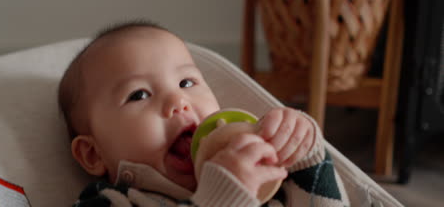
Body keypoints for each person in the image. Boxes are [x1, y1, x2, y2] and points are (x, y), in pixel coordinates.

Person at [58, 20, 350, 207]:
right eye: (139, 95)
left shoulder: (266, 176)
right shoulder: (111, 201)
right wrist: (222, 197)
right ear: (93, 154)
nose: (178, 100)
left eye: (187, 82)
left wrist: (305, 156)